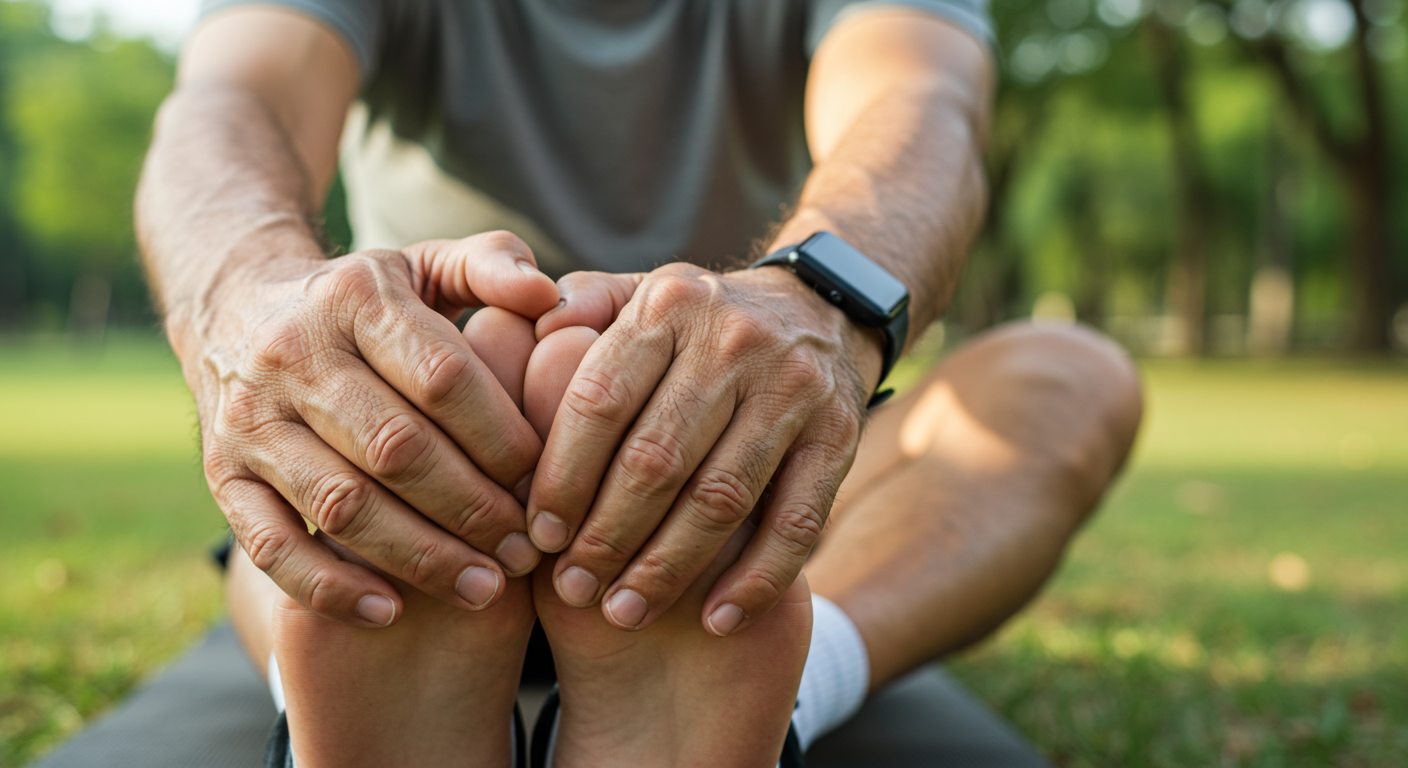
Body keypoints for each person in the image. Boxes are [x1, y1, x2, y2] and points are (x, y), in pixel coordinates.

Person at [136, 1, 1144, 766]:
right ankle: (350, 692)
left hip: (745, 484)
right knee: (340, 479)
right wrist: (249, 293)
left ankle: (774, 688)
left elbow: (920, 101)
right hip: (429, 455)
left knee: (1067, 377)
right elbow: (232, 99)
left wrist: (816, 303)